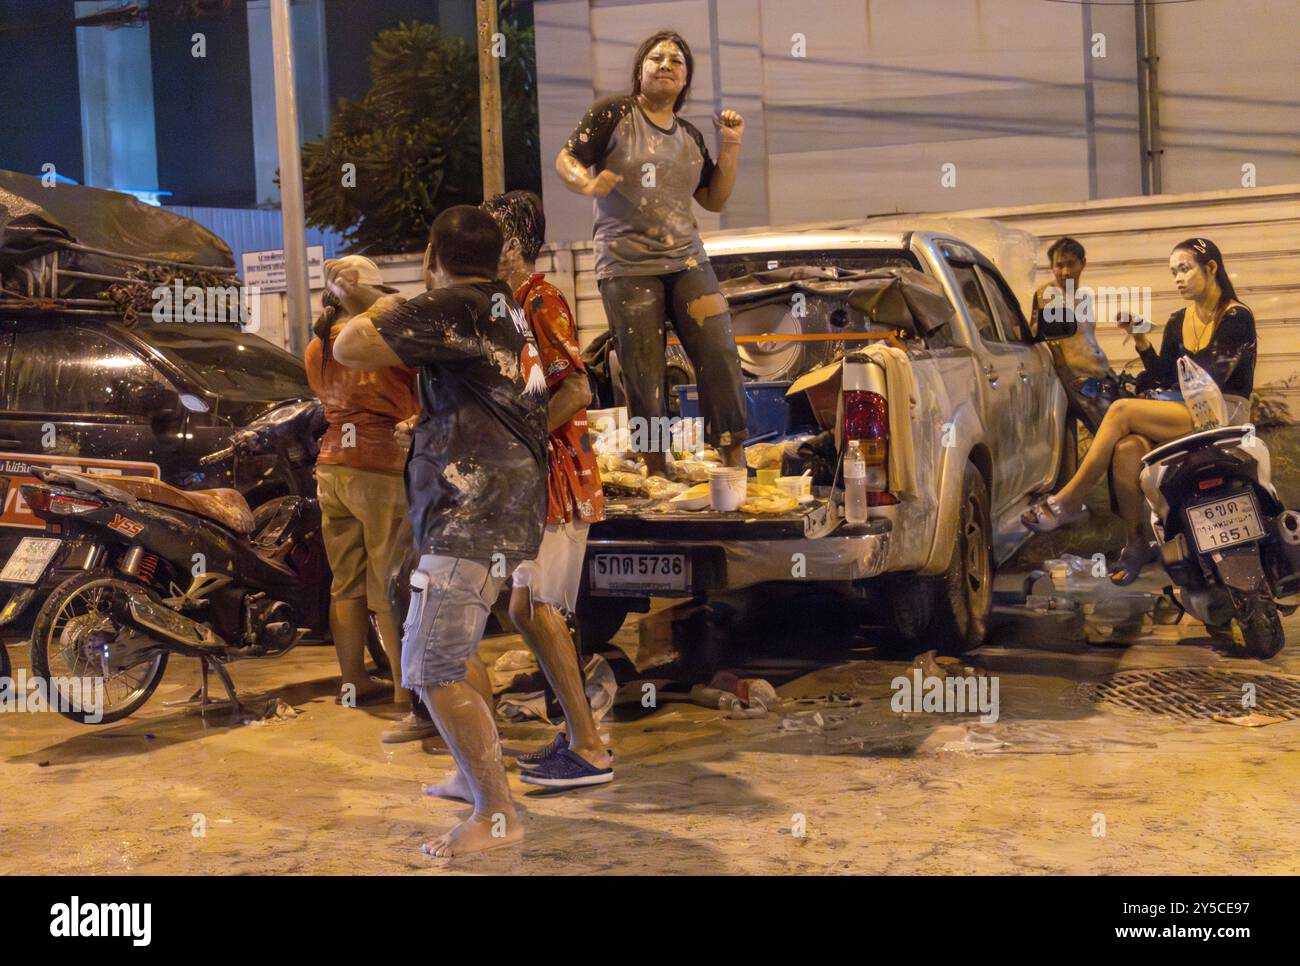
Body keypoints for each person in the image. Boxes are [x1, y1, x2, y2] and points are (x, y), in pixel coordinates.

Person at [330, 206, 549, 858]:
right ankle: (471, 774)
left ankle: (495, 813)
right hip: (489, 506)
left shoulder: (454, 304)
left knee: (430, 665)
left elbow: (349, 346)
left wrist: (382, 304)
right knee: (456, 655)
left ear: (433, 255)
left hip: (473, 513)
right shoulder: (501, 305)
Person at [555, 29, 749, 477]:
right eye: (656, 58)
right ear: (639, 71)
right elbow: (567, 157)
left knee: (718, 348)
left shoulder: (690, 135)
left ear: (684, 81)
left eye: (676, 62)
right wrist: (585, 183)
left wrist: (733, 145)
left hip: (687, 260)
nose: (665, 65)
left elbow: (713, 199)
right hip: (626, 265)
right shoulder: (613, 114)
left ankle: (732, 455)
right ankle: (657, 466)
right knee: (643, 368)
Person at [473, 189, 613, 788]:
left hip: (555, 477)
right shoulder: (508, 305)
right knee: (525, 607)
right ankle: (581, 738)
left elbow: (576, 390)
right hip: (537, 476)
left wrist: (519, 440)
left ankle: (588, 747)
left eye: (490, 238)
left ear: (512, 246)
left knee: (535, 607)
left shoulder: (542, 299)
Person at [1023, 237, 1257, 585]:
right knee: (1127, 448)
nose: (1178, 278)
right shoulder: (1179, 320)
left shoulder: (1236, 316)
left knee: (1120, 412)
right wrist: (1142, 340)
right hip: (1182, 411)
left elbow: (1210, 377)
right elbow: (1164, 374)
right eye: (1173, 271)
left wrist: (1158, 393)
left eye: (1185, 269)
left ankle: (1070, 499)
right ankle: (1136, 543)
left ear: (1211, 269)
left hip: (1222, 413)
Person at [306, 255, 417, 708]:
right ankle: (406, 695)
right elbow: (420, 397)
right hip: (382, 467)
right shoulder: (384, 339)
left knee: (345, 583)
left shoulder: (319, 342)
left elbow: (323, 396)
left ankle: (354, 682)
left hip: (332, 467)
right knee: (389, 584)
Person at [1031, 237, 1111, 431]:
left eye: (1070, 264)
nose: (1065, 271)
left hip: (1099, 378)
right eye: (1059, 265)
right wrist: (1070, 386)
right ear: (1051, 267)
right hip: (1079, 383)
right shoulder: (1048, 295)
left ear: (1083, 264)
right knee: (1111, 434)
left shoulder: (1083, 296)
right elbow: (1046, 340)